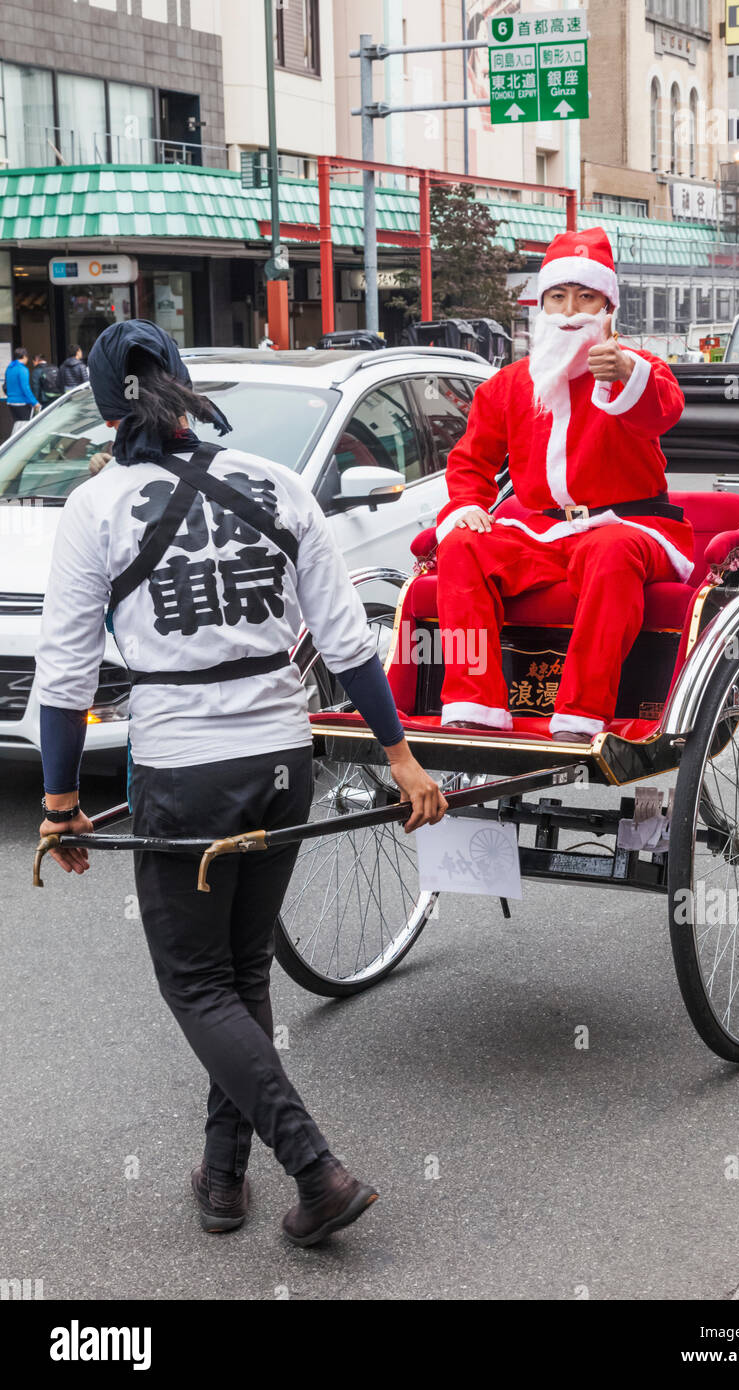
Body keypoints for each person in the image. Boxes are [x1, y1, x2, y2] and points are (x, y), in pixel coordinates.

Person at [34, 319, 448, 1247]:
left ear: (106, 409)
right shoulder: (278, 484)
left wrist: (60, 805)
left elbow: (63, 680)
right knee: (241, 972)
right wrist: (400, 756)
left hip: (185, 773)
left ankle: (316, 1168)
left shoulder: (96, 507)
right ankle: (223, 1178)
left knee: (196, 985)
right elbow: (348, 645)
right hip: (281, 764)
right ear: (180, 385)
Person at [434, 227, 694, 741]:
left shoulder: (638, 368)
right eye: (558, 296)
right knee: (462, 545)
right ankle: (472, 703)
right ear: (542, 307)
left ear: (608, 309)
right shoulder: (507, 385)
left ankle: (581, 714)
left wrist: (625, 371)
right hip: (542, 532)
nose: (571, 310)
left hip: (631, 525)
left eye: (585, 297)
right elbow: (471, 461)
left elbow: (663, 410)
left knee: (610, 550)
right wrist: (466, 504)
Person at [4, 346, 40, 423]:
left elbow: (5, 385)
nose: (27, 360)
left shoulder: (9, 368)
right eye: (27, 357)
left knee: (18, 425)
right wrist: (34, 402)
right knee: (25, 428)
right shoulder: (22, 369)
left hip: (11, 402)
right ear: (24, 356)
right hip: (22, 402)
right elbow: (25, 388)